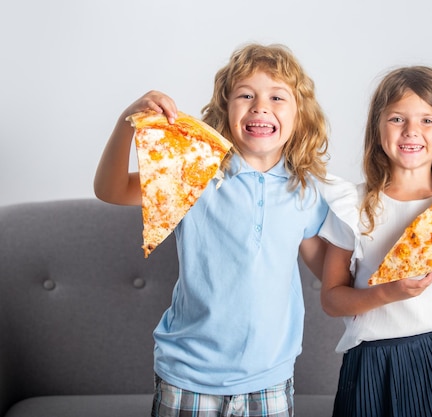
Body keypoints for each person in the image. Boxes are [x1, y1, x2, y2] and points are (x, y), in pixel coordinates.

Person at [94, 43, 330, 417]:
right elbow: (110, 190)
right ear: (225, 108)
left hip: (269, 380)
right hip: (187, 375)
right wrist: (128, 120)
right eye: (246, 95)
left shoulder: (306, 190)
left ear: (300, 114)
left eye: (277, 97)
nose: (260, 107)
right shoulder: (195, 174)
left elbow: (331, 271)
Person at [319, 66, 432, 417]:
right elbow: (331, 299)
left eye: (427, 121)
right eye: (397, 119)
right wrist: (391, 292)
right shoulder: (352, 205)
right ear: (378, 128)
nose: (411, 131)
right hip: (370, 360)